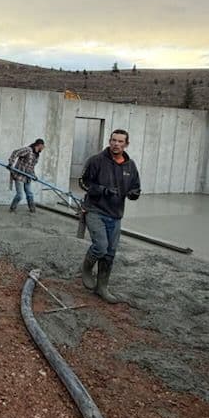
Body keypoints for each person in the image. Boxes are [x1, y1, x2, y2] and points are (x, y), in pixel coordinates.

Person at [78, 128, 141, 302]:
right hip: (95, 210)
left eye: (120, 141)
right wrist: (101, 190)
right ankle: (86, 269)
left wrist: (134, 194)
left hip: (116, 214)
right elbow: (82, 182)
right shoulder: (96, 161)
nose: (116, 144)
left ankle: (102, 288)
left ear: (126, 144)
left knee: (110, 253)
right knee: (100, 246)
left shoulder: (131, 166)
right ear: (109, 141)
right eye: (114, 140)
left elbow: (136, 187)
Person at [7, 139, 45, 213]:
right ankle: (12, 208)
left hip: (28, 176)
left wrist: (34, 176)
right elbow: (15, 152)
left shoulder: (36, 155)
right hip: (19, 175)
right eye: (43, 146)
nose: (43, 148)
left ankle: (32, 209)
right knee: (20, 195)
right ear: (40, 145)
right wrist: (11, 163)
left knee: (29, 193)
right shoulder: (28, 150)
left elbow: (31, 167)